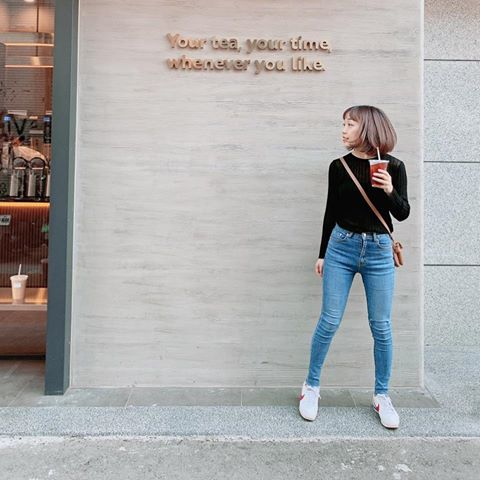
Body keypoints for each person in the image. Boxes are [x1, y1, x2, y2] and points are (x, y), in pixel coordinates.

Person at [298, 105, 410, 428]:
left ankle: (382, 395)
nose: (344, 129)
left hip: (379, 251)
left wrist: (389, 189)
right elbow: (330, 211)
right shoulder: (339, 167)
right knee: (329, 320)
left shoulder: (394, 166)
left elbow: (402, 213)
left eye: (350, 124)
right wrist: (322, 253)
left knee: (381, 326)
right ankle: (311, 387)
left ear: (368, 129)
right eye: (343, 124)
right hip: (341, 247)